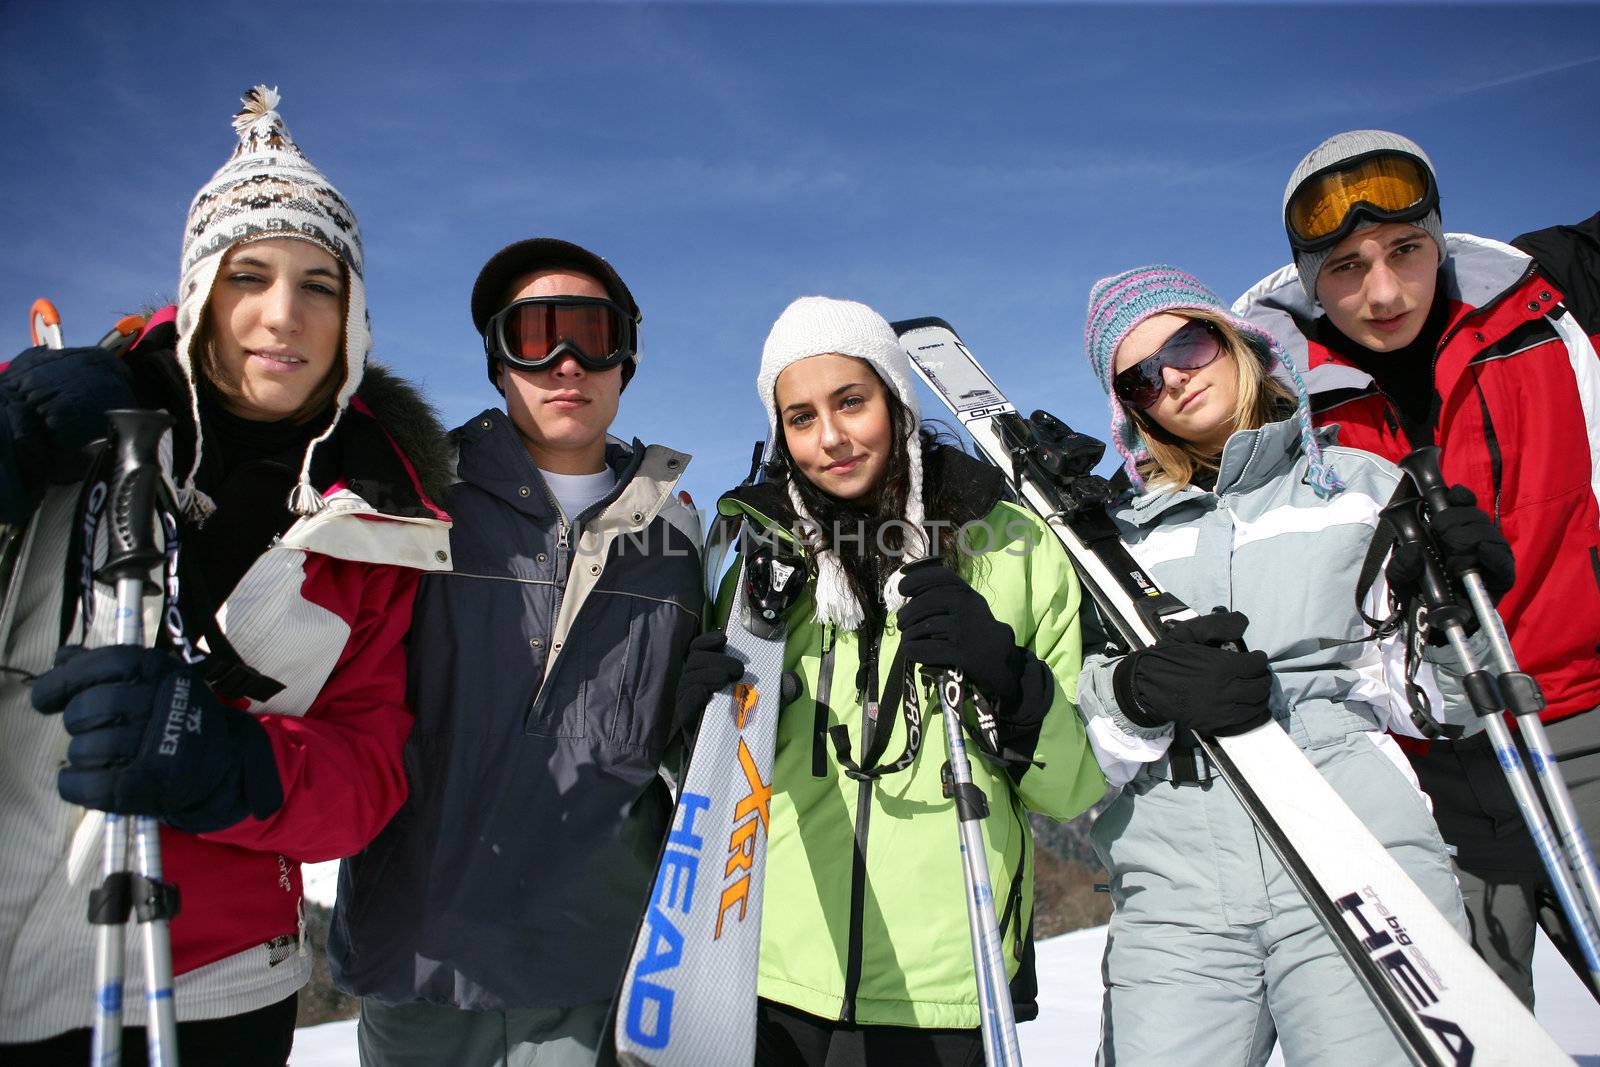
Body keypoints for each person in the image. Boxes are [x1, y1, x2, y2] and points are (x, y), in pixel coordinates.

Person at [0, 86, 452, 1065]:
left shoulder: (377, 524)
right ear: (202, 287)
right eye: (250, 275)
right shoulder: (61, 423)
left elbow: (366, 771)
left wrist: (236, 764)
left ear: (354, 311)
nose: (282, 316)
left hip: (210, 985)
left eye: (320, 284)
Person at [1076, 266, 1507, 1066]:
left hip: (1354, 850)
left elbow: (1437, 703)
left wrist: (1459, 616)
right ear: (1128, 410)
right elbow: (1084, 734)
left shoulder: (1359, 489)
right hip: (1177, 886)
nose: (1172, 376)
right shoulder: (1113, 544)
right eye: (1139, 377)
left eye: (1187, 342)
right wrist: (1138, 691)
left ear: (1236, 340)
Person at [676, 296, 1105, 1066]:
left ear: (896, 400)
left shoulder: (1011, 544)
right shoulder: (759, 557)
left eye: (850, 402)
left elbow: (1071, 789)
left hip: (948, 978)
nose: (830, 437)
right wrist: (694, 728)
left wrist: (1009, 680)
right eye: (801, 417)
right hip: (771, 970)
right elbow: (723, 783)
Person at [1234, 129, 1600, 1006]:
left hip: (1584, 716)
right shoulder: (1274, 392)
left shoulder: (1555, 297)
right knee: (1464, 1022)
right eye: (1346, 267)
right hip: (1423, 767)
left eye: (1405, 250)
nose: (1384, 290)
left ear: (1440, 239)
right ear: (1309, 280)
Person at [329, 237, 704, 1067]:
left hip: (585, 971)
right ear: (499, 363)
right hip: (420, 959)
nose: (566, 361)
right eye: (534, 335)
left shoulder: (677, 538)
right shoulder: (421, 500)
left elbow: (688, 752)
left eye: (592, 333)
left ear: (625, 358)